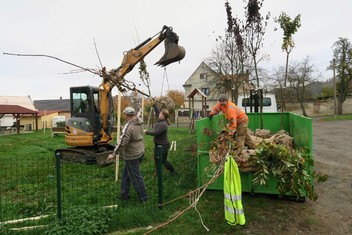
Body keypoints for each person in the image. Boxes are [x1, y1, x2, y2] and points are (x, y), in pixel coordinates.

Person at [107, 106, 148, 203]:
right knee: (126, 174)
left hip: (132, 155)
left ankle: (144, 199)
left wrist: (113, 154)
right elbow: (139, 109)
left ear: (126, 115)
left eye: (124, 113)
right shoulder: (140, 121)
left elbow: (122, 143)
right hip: (140, 152)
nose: (124, 115)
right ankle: (124, 195)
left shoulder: (128, 127)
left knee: (136, 178)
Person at [144, 103, 175, 174]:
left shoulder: (163, 124)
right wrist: (154, 105)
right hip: (157, 144)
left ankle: (172, 170)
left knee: (163, 160)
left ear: (164, 116)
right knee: (156, 159)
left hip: (163, 145)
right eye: (160, 113)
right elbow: (157, 111)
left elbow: (156, 133)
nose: (159, 114)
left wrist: (146, 132)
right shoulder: (160, 120)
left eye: (161, 114)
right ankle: (158, 172)